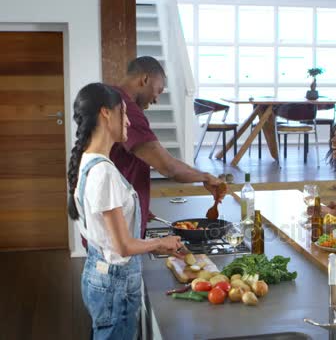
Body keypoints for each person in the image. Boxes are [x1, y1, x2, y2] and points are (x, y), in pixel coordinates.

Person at [67, 83, 184, 339]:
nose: (129, 122)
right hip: (115, 283)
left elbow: (101, 220)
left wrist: (131, 213)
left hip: (98, 274)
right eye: (124, 113)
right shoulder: (104, 172)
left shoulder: (88, 160)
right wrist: (160, 242)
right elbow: (123, 247)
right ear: (106, 113)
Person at [109, 56, 224, 238]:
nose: (156, 99)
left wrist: (141, 207)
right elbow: (168, 167)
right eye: (158, 90)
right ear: (144, 79)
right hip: (119, 229)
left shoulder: (110, 98)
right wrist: (205, 177)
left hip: (115, 218)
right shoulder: (126, 110)